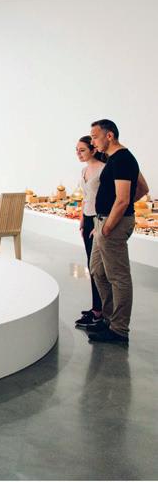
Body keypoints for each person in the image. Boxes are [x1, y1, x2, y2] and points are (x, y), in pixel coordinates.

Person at [86, 119, 149, 343]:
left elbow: (123, 199)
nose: (93, 142)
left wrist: (108, 227)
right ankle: (108, 318)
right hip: (104, 222)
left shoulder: (123, 159)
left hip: (113, 225)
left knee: (118, 277)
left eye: (95, 137)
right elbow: (142, 188)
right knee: (97, 270)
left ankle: (119, 329)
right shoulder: (114, 159)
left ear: (109, 136)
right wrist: (101, 224)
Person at [74, 136, 105, 328]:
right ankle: (96, 308)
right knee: (91, 265)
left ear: (93, 150)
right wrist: (82, 219)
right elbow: (86, 197)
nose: (78, 153)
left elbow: (108, 198)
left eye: (82, 150)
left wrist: (98, 223)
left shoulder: (103, 169)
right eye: (76, 150)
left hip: (98, 219)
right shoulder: (84, 170)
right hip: (87, 219)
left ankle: (100, 311)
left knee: (98, 268)